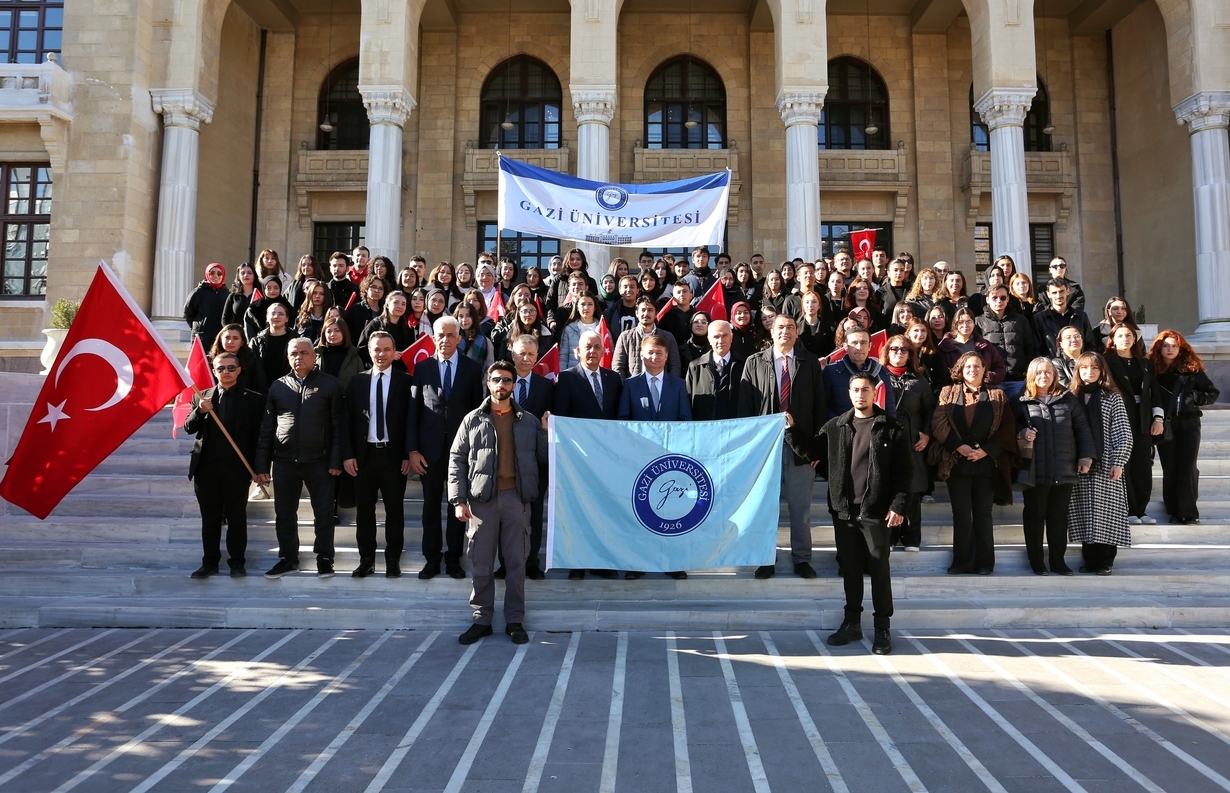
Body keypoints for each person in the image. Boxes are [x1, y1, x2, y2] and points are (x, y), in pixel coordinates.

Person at [450, 360, 549, 646]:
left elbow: (541, 458)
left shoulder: (528, 420)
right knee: (480, 561)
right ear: (488, 383)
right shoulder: (472, 420)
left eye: (507, 380)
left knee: (517, 561)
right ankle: (481, 619)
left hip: (517, 499)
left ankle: (514, 620)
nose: (501, 385)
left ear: (514, 386)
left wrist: (543, 431)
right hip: (482, 501)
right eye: (496, 380)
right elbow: (456, 460)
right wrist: (458, 499)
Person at [819, 372, 913, 655]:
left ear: (875, 394)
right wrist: (789, 428)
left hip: (877, 512)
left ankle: (882, 628)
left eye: (866, 390)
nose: (860, 395)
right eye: (856, 390)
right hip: (845, 512)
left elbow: (905, 472)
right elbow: (809, 451)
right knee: (850, 571)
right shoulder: (836, 426)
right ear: (849, 394)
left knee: (879, 571)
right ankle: (852, 623)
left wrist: (898, 505)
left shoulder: (892, 428)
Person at [738, 313, 827, 579]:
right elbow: (745, 409)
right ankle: (766, 558)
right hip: (765, 451)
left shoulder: (809, 363)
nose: (785, 331)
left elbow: (819, 407)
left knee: (800, 511)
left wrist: (817, 448)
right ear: (771, 332)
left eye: (790, 327)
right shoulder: (754, 363)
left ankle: (802, 559)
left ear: (797, 333)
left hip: (801, 449)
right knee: (766, 509)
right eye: (780, 327)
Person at [255, 337, 345, 579]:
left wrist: (336, 460)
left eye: (304, 352)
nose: (299, 357)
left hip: (320, 460)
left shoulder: (331, 385)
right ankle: (287, 558)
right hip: (284, 461)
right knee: (284, 513)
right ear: (288, 358)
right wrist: (262, 465)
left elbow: (339, 426)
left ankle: (325, 559)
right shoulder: (277, 387)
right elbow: (266, 428)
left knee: (324, 512)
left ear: (314, 356)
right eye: (294, 353)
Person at [408, 316, 486, 580]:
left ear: (459, 338)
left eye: (450, 335)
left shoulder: (473, 369)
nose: (445, 340)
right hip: (429, 452)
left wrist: (476, 452)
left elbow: (478, 414)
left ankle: (454, 558)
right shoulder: (423, 368)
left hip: (462, 453)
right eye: (440, 335)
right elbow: (413, 412)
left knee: (459, 507)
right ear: (433, 338)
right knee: (430, 508)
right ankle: (431, 559)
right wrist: (413, 450)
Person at [930, 351, 1017, 575]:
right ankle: (962, 562)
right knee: (961, 513)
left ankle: (985, 563)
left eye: (977, 366)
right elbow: (939, 424)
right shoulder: (948, 392)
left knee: (982, 513)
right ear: (960, 369)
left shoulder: (997, 395)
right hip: (956, 462)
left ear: (984, 370)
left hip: (986, 463)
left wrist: (986, 451)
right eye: (968, 366)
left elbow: (1007, 429)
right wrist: (959, 447)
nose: (973, 370)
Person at [547, 330, 624, 580]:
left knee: (604, 510)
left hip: (607, 458)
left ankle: (602, 561)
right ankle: (577, 561)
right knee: (578, 510)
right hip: (578, 459)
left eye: (597, 347)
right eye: (587, 347)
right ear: (577, 351)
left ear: (604, 352)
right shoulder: (567, 379)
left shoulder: (614, 379)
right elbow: (562, 417)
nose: (592, 352)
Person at [617, 334, 692, 581]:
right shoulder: (630, 385)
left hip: (670, 464)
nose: (654, 357)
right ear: (641, 354)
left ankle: (672, 562)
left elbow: (685, 422)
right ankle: (638, 562)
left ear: (667, 355)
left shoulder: (679, 385)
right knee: (640, 514)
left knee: (670, 514)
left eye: (659, 353)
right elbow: (623, 422)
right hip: (640, 462)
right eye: (650, 352)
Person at [183, 351, 265, 578]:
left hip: (237, 469)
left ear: (239, 370)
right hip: (206, 469)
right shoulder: (202, 396)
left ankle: (237, 562)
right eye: (221, 368)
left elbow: (260, 437)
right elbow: (188, 428)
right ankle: (209, 561)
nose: (225, 372)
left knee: (237, 517)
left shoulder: (254, 399)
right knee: (210, 518)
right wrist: (200, 411)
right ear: (214, 371)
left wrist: (260, 469)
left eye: (230, 368)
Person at [1014, 357, 1095, 576]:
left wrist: (1085, 458)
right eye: (1039, 372)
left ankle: (1058, 561)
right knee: (1034, 516)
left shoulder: (1068, 399)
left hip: (1064, 468)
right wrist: (1022, 434)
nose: (1044, 376)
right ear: (1031, 375)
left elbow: (1082, 430)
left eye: (1048, 372)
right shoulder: (1021, 401)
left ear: (1054, 375)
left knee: (1058, 517)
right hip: (1035, 471)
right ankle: (1037, 562)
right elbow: (1009, 430)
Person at [342, 332, 413, 578]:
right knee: (364, 511)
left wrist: (407, 453)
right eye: (376, 349)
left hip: (394, 457)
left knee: (395, 511)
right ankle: (367, 560)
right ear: (369, 352)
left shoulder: (405, 382)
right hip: (364, 457)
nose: (381, 354)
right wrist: (348, 454)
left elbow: (409, 421)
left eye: (386, 349)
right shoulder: (357, 382)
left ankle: (393, 559)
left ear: (394, 352)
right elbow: (347, 421)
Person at [1068, 352, 1134, 574]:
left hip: (1106, 463)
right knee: (1085, 513)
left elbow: (1123, 432)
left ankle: (1106, 561)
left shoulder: (1111, 397)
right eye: (1085, 368)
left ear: (1102, 371)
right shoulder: (1071, 396)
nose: (1089, 372)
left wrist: (1118, 461)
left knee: (1107, 513)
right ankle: (1090, 560)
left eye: (1095, 368)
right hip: (1078, 463)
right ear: (1078, 371)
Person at [1151, 330, 1220, 525]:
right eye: (1166, 345)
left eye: (1174, 345)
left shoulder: (1192, 369)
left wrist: (1194, 398)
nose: (1170, 349)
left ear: (1180, 348)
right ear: (1159, 348)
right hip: (1165, 423)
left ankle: (1189, 513)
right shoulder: (1153, 370)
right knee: (1170, 467)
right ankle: (1173, 510)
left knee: (1188, 466)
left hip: (1189, 423)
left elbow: (1212, 393)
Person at [504, 336, 554, 580]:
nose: (526, 358)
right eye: (521, 353)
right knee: (507, 515)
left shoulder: (546, 386)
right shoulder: (501, 382)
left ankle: (532, 562)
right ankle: (505, 563)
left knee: (533, 515)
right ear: (512, 354)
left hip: (535, 460)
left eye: (531, 354)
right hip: (505, 459)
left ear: (537, 357)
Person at [1105, 322, 1165, 524]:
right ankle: (1128, 509)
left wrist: (1158, 418)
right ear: (1112, 339)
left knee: (1143, 465)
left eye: (1129, 335)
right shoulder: (1107, 362)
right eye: (1120, 335)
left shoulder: (1145, 363)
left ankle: (1142, 510)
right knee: (1125, 463)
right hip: (1120, 417)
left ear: (1135, 338)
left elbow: (1155, 393)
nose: (1125, 339)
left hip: (1144, 419)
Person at [880, 335, 934, 551]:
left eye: (904, 350)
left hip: (913, 438)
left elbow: (930, 409)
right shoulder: (878, 375)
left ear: (910, 354)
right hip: (886, 438)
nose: (899, 353)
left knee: (912, 486)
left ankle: (911, 537)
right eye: (894, 349)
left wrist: (927, 434)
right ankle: (890, 536)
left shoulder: (919, 379)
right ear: (887, 352)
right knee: (887, 486)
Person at [976, 284, 1036, 400]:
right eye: (995, 297)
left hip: (1018, 380)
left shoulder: (1020, 320)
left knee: (1019, 415)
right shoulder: (978, 322)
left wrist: (1027, 373)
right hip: (992, 381)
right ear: (987, 299)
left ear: (1008, 299)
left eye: (1003, 297)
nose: (999, 301)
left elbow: (1030, 348)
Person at [823, 326, 897, 419]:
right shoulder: (831, 372)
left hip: (874, 430)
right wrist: (840, 427)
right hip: (841, 429)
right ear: (846, 346)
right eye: (854, 343)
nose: (859, 347)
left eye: (863, 343)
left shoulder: (881, 372)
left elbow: (889, 408)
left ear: (870, 346)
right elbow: (824, 407)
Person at [612, 296, 682, 379]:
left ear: (656, 314)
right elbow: (618, 366)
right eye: (643, 310)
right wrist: (626, 388)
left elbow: (675, 365)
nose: (646, 314)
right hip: (633, 389)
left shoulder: (667, 337)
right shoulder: (625, 337)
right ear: (636, 313)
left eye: (650, 310)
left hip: (661, 388)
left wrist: (669, 386)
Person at [936, 307, 1007, 388]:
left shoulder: (984, 345)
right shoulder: (945, 347)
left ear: (974, 323)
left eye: (969, 322)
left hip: (985, 390)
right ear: (955, 324)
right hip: (957, 392)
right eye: (961, 322)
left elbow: (999, 367)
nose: (965, 325)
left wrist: (986, 377)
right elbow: (943, 376)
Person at [687, 320, 743, 420]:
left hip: (736, 428)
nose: (721, 341)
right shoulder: (695, 367)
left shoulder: (744, 365)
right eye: (716, 337)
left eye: (725, 335)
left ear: (731, 337)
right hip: (706, 429)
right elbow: (687, 402)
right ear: (709, 339)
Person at [1033, 278, 1095, 357]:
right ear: (1048, 294)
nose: (1058, 296)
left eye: (1061, 291)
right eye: (1054, 292)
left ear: (1068, 291)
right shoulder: (1039, 319)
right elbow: (1037, 348)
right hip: (1052, 366)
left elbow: (1090, 344)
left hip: (1078, 365)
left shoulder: (1081, 316)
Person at [210, 323, 267, 394]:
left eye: (235, 338)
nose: (230, 342)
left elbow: (260, 388)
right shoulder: (209, 361)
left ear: (242, 342)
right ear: (221, 339)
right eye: (227, 338)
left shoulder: (251, 361)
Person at [249, 302, 297, 386]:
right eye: (273, 313)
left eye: (281, 314)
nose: (276, 316)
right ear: (267, 318)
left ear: (287, 318)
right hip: (262, 389)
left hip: (290, 387)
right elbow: (252, 367)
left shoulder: (297, 340)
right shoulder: (256, 342)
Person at [184, 262, 229, 349]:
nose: (216, 276)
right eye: (212, 273)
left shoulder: (227, 294)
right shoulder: (198, 292)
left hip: (221, 337)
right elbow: (188, 312)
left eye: (219, 273)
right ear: (207, 274)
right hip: (202, 337)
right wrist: (198, 326)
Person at [558, 290, 603, 371]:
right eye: (582, 304)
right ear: (577, 307)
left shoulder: (602, 328)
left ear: (595, 307)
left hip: (598, 373)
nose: (586, 308)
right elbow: (563, 356)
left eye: (590, 304)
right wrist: (562, 376)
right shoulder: (569, 329)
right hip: (574, 375)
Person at [315, 316, 363, 389]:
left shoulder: (353, 355)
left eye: (337, 330)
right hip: (320, 398)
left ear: (344, 332)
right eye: (329, 331)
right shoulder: (316, 354)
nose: (332, 334)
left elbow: (361, 382)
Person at [296, 279, 334, 344]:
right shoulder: (301, 318)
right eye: (314, 293)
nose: (317, 296)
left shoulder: (330, 318)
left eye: (321, 294)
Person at [221, 262, 258, 328]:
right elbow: (225, 319)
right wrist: (230, 331)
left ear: (254, 276)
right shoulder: (233, 296)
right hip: (238, 335)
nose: (246, 275)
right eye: (242, 273)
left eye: (249, 273)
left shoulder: (260, 294)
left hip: (256, 334)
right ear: (238, 277)